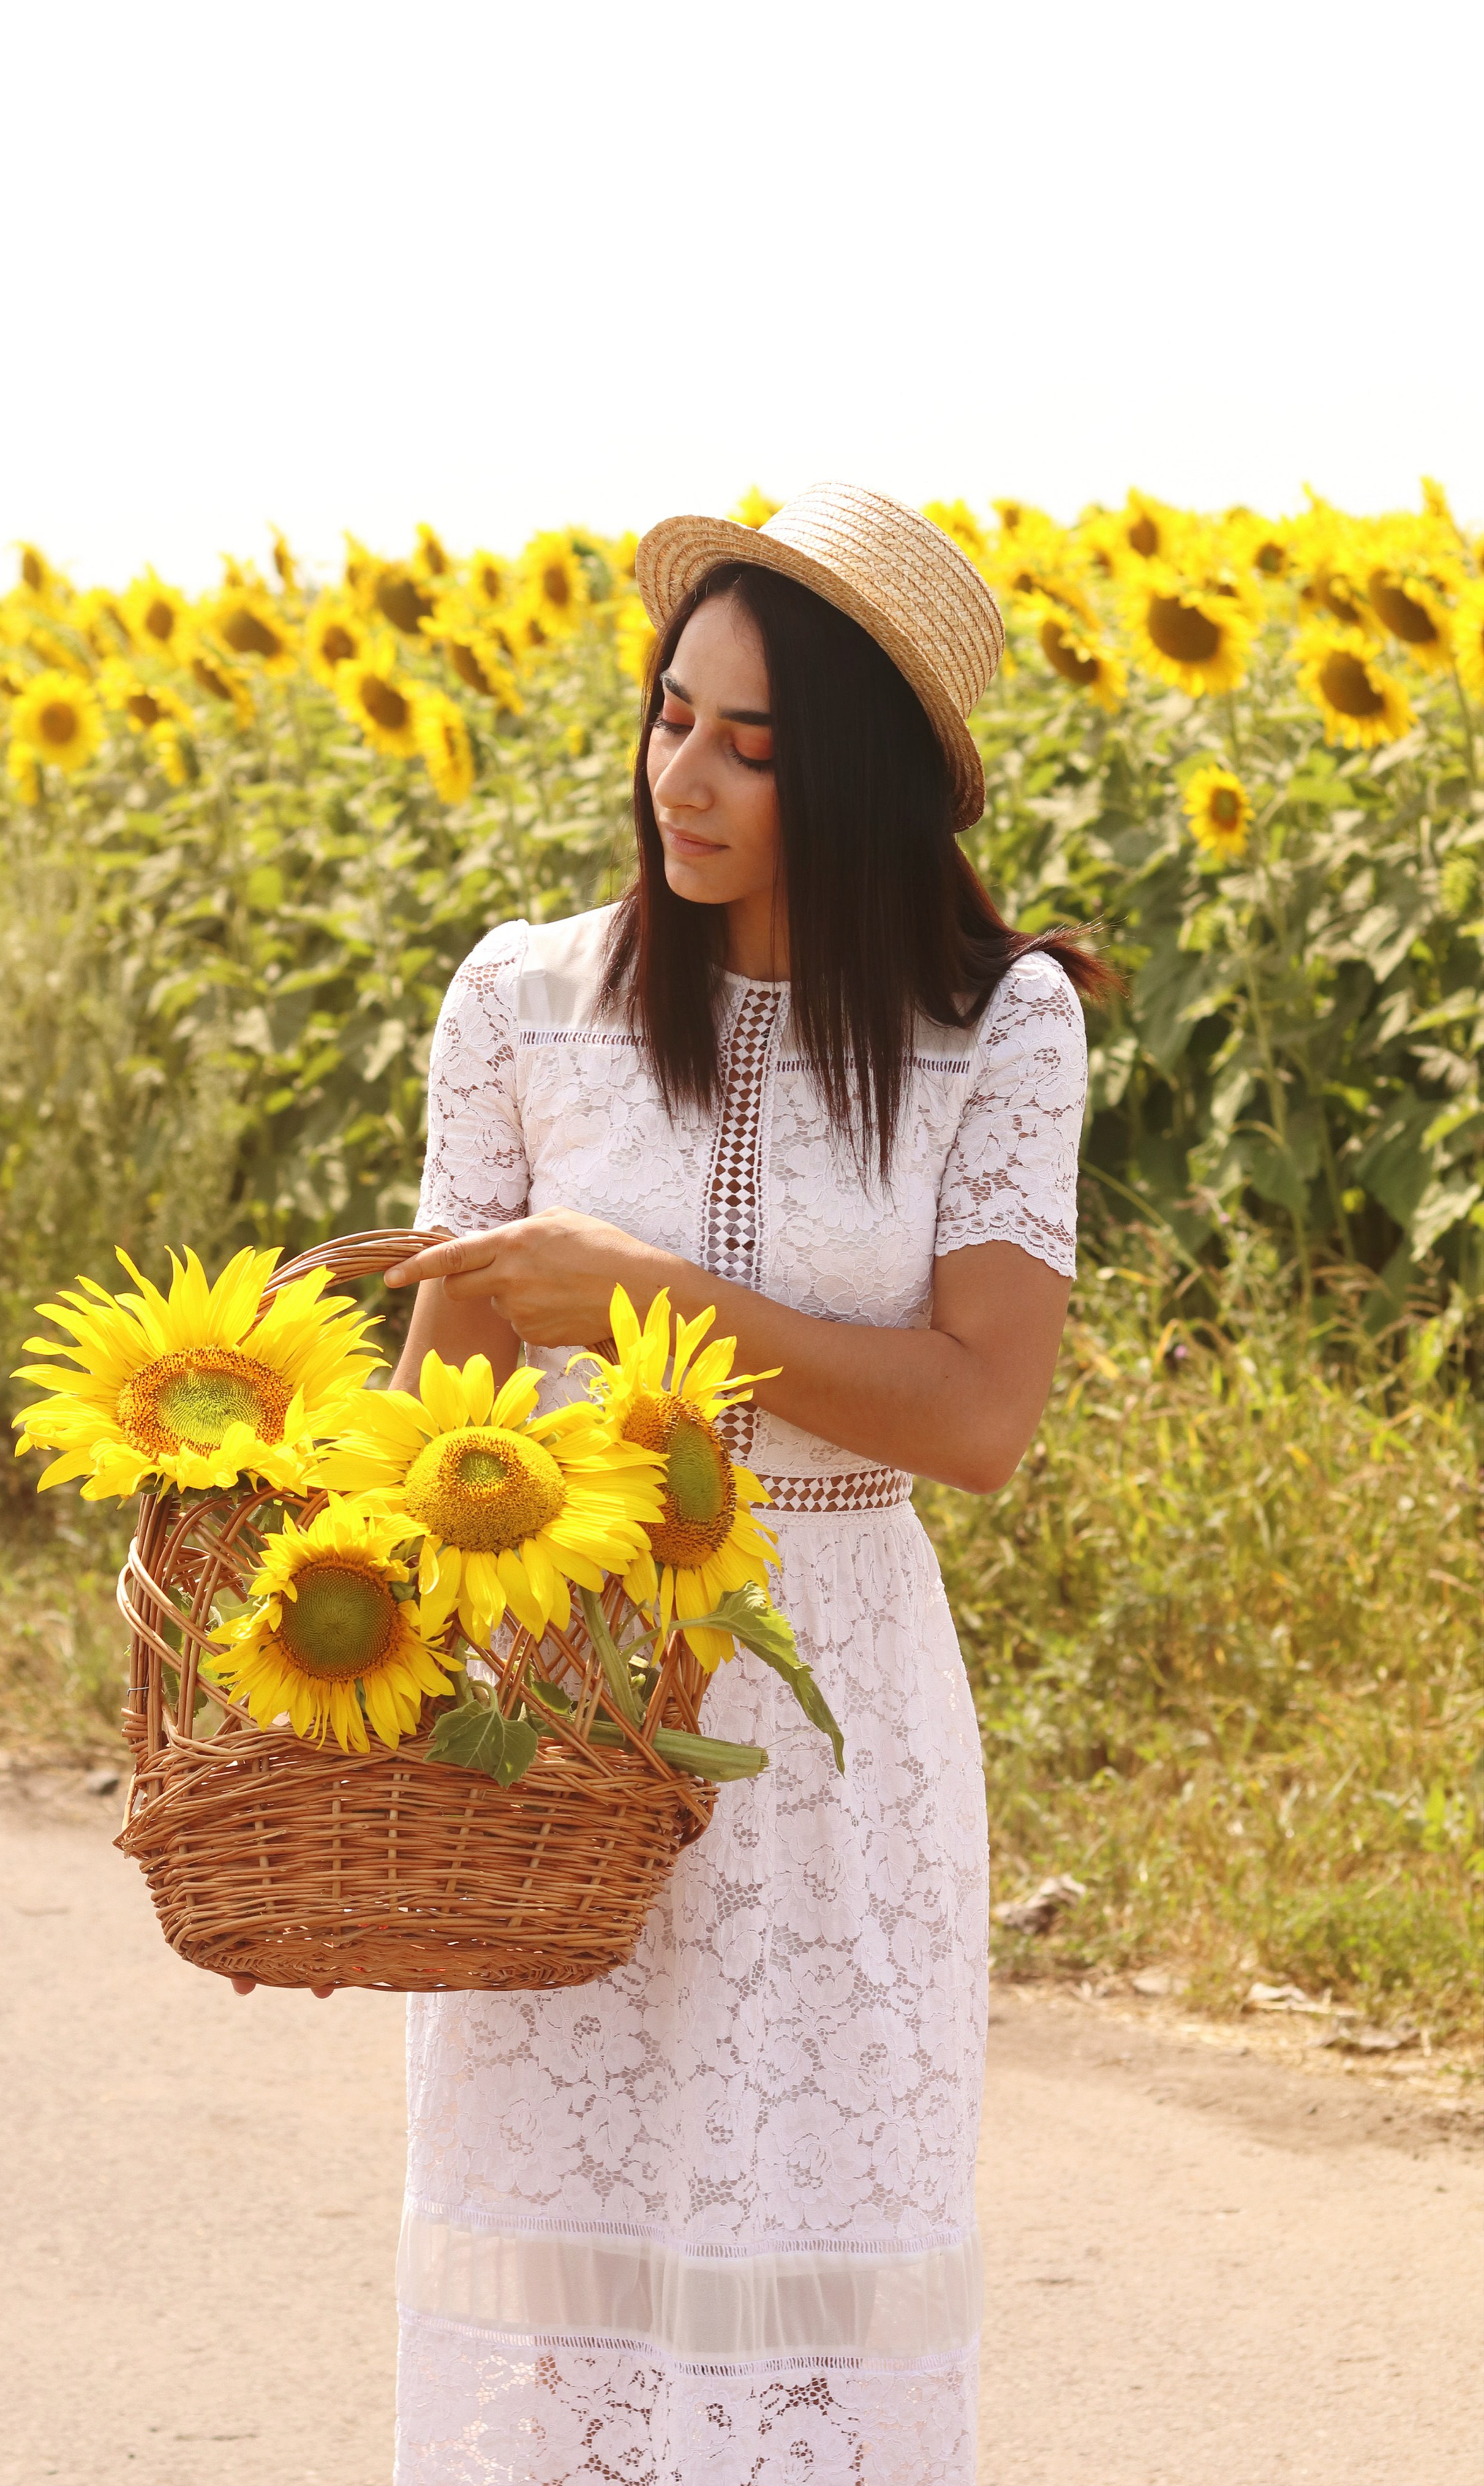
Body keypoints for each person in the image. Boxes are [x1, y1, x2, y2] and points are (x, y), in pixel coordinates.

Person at [377, 482, 1109, 2484]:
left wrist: (650, 1301)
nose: (681, 776)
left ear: (862, 779)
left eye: (751, 745)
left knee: (810, 2300)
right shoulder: (523, 998)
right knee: (570, 2316)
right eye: (670, 716)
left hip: (838, 1720)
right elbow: (425, 1415)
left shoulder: (996, 1027)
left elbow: (979, 1418)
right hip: (564, 1718)